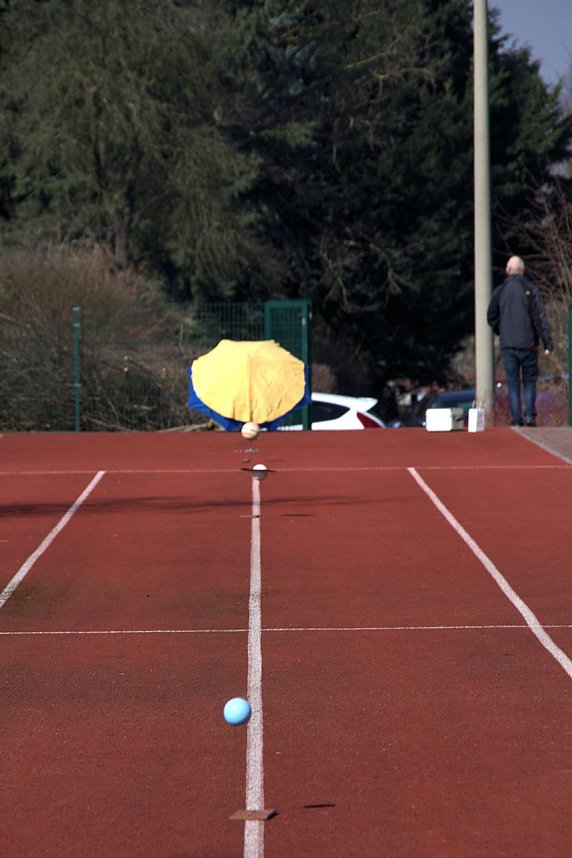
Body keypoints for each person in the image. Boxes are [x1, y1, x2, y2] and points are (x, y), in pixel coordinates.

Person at [487, 255, 553, 427]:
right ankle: (530, 415)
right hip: (529, 344)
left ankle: (516, 419)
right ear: (523, 270)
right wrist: (547, 342)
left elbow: (491, 315)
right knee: (529, 381)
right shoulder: (530, 289)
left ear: (508, 270)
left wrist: (501, 330)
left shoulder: (500, 291)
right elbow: (539, 317)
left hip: (508, 345)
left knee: (513, 383)